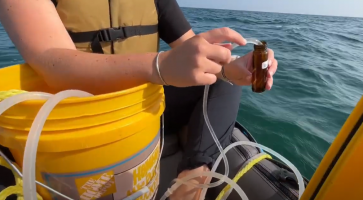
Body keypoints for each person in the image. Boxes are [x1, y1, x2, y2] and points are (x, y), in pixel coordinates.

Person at [0, 0, 278, 200]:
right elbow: (53, 64)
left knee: (220, 80)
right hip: (77, 118)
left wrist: (231, 68)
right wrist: (159, 66)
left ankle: (191, 182)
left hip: (145, 109)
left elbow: (195, 55)